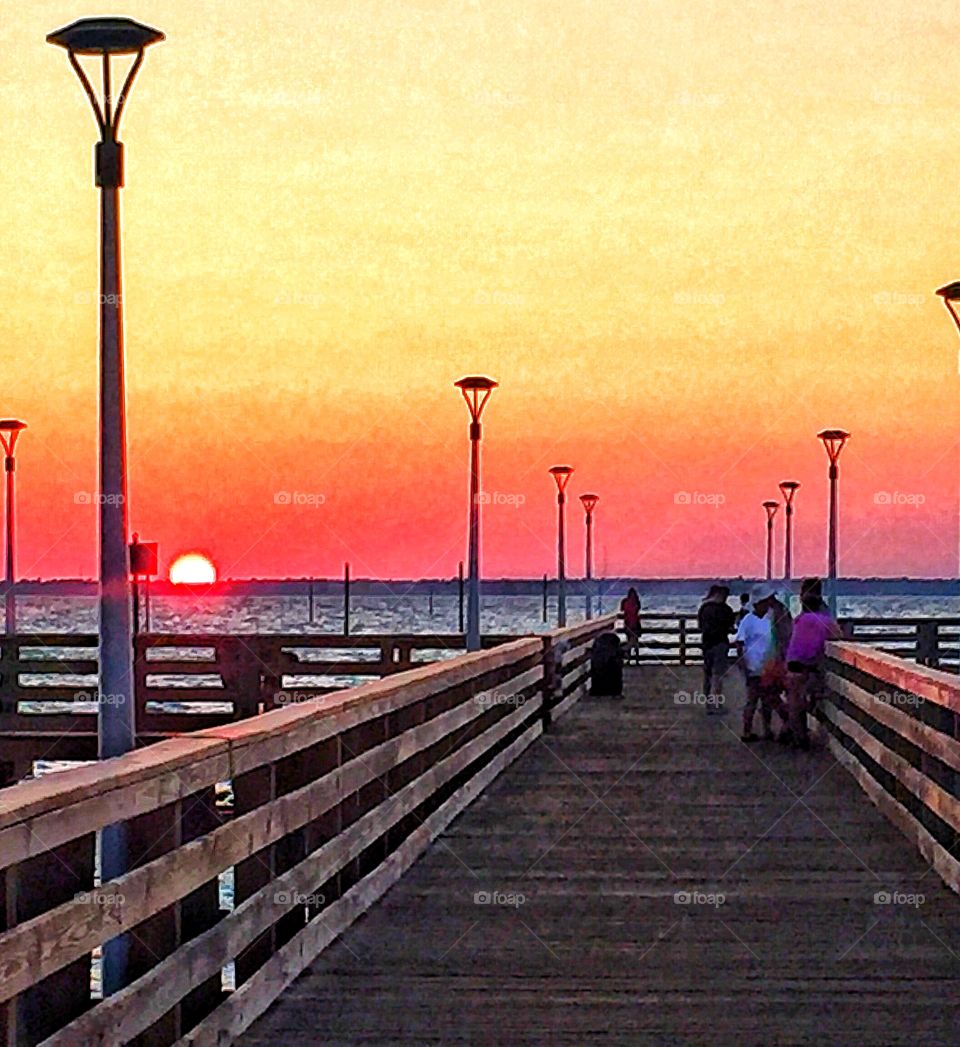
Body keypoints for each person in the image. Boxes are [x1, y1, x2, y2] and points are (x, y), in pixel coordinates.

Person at [783, 579, 842, 749]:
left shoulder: (799, 620)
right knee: (814, 698)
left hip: (793, 663)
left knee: (795, 704)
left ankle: (798, 737)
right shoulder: (825, 621)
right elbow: (839, 636)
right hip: (811, 666)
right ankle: (813, 734)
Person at [735, 584, 774, 741]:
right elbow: (739, 643)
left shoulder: (770, 619)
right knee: (752, 700)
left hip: (768, 665)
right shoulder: (748, 620)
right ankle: (747, 730)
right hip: (753, 666)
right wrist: (743, 665)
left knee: (767, 701)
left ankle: (767, 729)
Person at [697, 584, 734, 712]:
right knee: (718, 675)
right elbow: (731, 628)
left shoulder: (704, 608)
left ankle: (708, 703)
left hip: (707, 644)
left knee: (707, 674)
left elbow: (700, 626)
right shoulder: (726, 610)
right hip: (721, 643)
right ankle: (717, 704)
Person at [620, 587, 642, 664]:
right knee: (631, 642)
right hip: (630, 623)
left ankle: (634, 659)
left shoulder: (627, 601)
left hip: (633, 623)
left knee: (634, 642)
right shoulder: (635, 602)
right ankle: (633, 659)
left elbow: (622, 610)